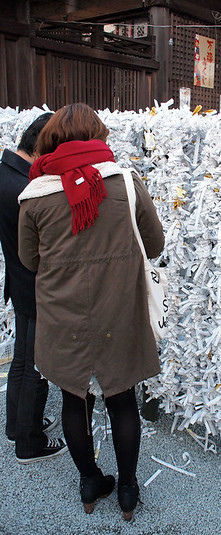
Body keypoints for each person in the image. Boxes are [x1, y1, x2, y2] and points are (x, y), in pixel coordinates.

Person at [17, 103, 164, 521]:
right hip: (119, 309)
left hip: (62, 314)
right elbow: (153, 245)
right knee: (122, 401)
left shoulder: (35, 196)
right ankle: (129, 491)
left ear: (52, 140)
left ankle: (89, 482)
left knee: (73, 400)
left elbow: (30, 261)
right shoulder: (127, 184)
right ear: (98, 137)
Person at [1, 112, 68, 463]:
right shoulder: (23, 188)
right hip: (34, 285)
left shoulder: (7, 172)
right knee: (35, 365)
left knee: (22, 359)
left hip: (19, 282)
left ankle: (17, 426)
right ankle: (29, 442)